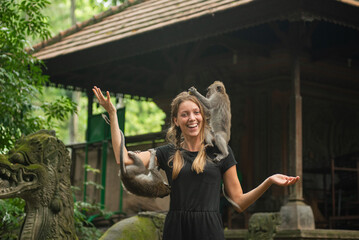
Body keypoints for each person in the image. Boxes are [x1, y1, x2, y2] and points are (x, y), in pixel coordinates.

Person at [92, 86, 299, 240]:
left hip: (209, 230)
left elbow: (239, 202)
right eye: (185, 114)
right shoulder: (167, 153)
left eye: (196, 112)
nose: (192, 118)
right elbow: (123, 159)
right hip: (176, 229)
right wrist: (112, 114)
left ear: (203, 116)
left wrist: (268, 181)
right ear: (176, 120)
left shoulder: (220, 152)